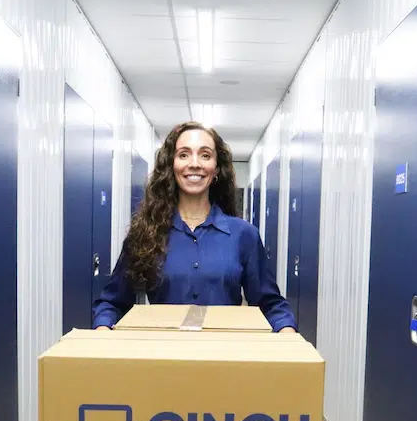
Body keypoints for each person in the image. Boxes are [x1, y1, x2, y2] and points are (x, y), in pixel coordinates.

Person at [92, 121, 297, 333]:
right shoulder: (146, 233)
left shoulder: (244, 235)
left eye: (205, 155)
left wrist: (287, 331)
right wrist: (103, 329)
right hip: (162, 356)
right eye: (184, 154)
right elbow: (112, 303)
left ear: (216, 168)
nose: (195, 163)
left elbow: (270, 304)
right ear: (171, 165)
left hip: (226, 356)